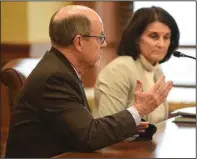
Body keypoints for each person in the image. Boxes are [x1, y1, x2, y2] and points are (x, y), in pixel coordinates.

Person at [5, 5, 173, 158]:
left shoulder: (61, 69)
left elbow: (82, 129)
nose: (104, 43)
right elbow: (89, 136)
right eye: (100, 37)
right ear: (79, 42)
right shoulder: (55, 77)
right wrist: (139, 109)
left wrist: (128, 124)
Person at [92, 6, 180, 124]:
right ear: (137, 38)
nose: (161, 44)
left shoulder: (156, 70)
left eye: (166, 37)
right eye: (154, 36)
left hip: (153, 142)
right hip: (123, 143)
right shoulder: (119, 70)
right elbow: (107, 127)